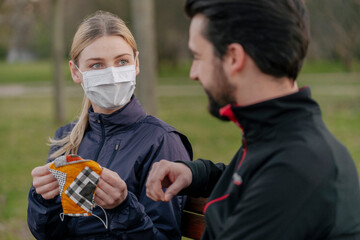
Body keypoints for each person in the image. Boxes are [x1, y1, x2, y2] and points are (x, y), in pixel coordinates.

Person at [146, 0, 360, 239]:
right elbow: (249, 180)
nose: (193, 73)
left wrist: (124, 208)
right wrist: (194, 174)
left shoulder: (296, 168)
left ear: (234, 57)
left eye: (198, 56)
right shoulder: (278, 134)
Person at [27, 11, 192, 240]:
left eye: (122, 61)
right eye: (96, 65)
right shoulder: (67, 139)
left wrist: (123, 208)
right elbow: (49, 234)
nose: (113, 75)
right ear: (76, 72)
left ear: (136, 64)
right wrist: (42, 199)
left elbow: (163, 236)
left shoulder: (161, 141)